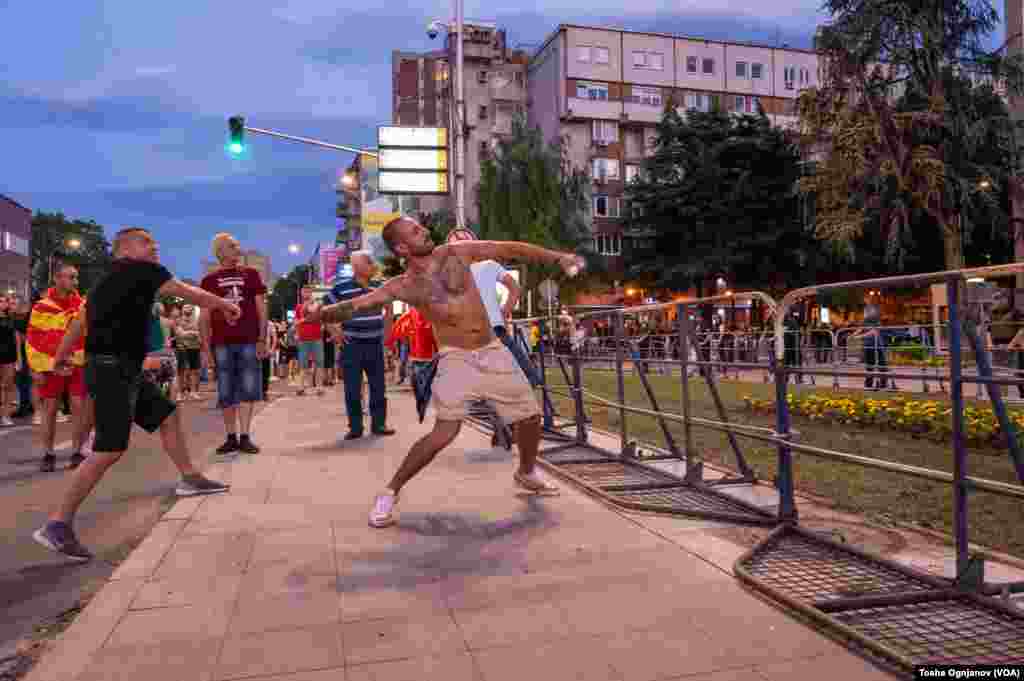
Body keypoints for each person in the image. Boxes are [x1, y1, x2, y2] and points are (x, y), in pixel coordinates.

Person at [308, 216, 583, 527]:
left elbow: (509, 248)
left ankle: (526, 472)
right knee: (443, 433)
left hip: (493, 350)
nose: (424, 231)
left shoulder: (458, 252)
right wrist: (320, 315)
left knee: (531, 417)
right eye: (415, 231)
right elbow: (360, 304)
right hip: (455, 359)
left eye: (421, 227)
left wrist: (557, 257)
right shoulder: (404, 286)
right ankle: (390, 492)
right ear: (402, 247)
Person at [32, 226, 239, 561]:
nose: (155, 246)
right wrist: (225, 305)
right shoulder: (144, 270)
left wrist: (61, 355)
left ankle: (189, 477)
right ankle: (57, 523)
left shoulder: (104, 280)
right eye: (147, 242)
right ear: (125, 249)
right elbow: (189, 293)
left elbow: (79, 322)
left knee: (167, 415)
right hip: (114, 370)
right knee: (109, 449)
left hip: (119, 368)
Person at [199, 233, 267, 455]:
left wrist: (262, 338)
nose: (238, 249)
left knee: (249, 387)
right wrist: (206, 349)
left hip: (248, 340)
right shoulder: (209, 281)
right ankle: (230, 437)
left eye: (238, 245)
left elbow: (261, 309)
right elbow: (205, 317)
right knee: (226, 390)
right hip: (221, 343)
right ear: (220, 252)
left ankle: (245, 436)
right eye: (232, 246)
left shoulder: (252, 275)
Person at [322, 251, 395, 440]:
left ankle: (379, 424)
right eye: (369, 262)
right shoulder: (341, 288)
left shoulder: (380, 287)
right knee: (352, 388)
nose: (373, 265)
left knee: (378, 387)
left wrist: (386, 337)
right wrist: (335, 332)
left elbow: (389, 310)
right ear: (357, 267)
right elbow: (324, 311)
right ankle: (355, 427)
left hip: (375, 343)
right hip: (352, 344)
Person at [26, 263, 90, 472]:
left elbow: (88, 335)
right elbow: (34, 339)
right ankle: (48, 453)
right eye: (71, 277)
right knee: (50, 409)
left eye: (76, 277)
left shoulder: (82, 305)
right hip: (51, 365)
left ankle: (77, 451)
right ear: (57, 278)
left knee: (79, 407)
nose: (75, 281)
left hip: (78, 363)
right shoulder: (41, 306)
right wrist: (36, 368)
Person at [294, 286, 325, 397]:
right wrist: (297, 333)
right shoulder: (299, 307)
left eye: (308, 291)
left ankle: (319, 387)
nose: (306, 293)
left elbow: (321, 318)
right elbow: (296, 322)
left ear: (312, 293)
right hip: (303, 338)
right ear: (301, 294)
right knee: (303, 364)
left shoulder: (318, 305)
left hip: (317, 338)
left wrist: (304, 320)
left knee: (320, 363)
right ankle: (301, 387)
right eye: (304, 292)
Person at [0, 294, 21, 426]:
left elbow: (17, 339)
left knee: (8, 386)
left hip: (9, 356)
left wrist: (19, 358)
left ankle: (6, 415)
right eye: (0, 301)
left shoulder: (12, 319)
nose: (2, 303)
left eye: (4, 301)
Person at [175, 304, 202, 400]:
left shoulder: (197, 321)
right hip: (182, 348)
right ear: (182, 309)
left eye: (189, 308)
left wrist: (189, 333)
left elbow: (200, 334)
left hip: (195, 348)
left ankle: (193, 392)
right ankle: (180, 393)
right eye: (185, 308)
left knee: (194, 370)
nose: (187, 309)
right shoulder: (178, 320)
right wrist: (193, 333)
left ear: (192, 310)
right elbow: (180, 334)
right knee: (181, 371)